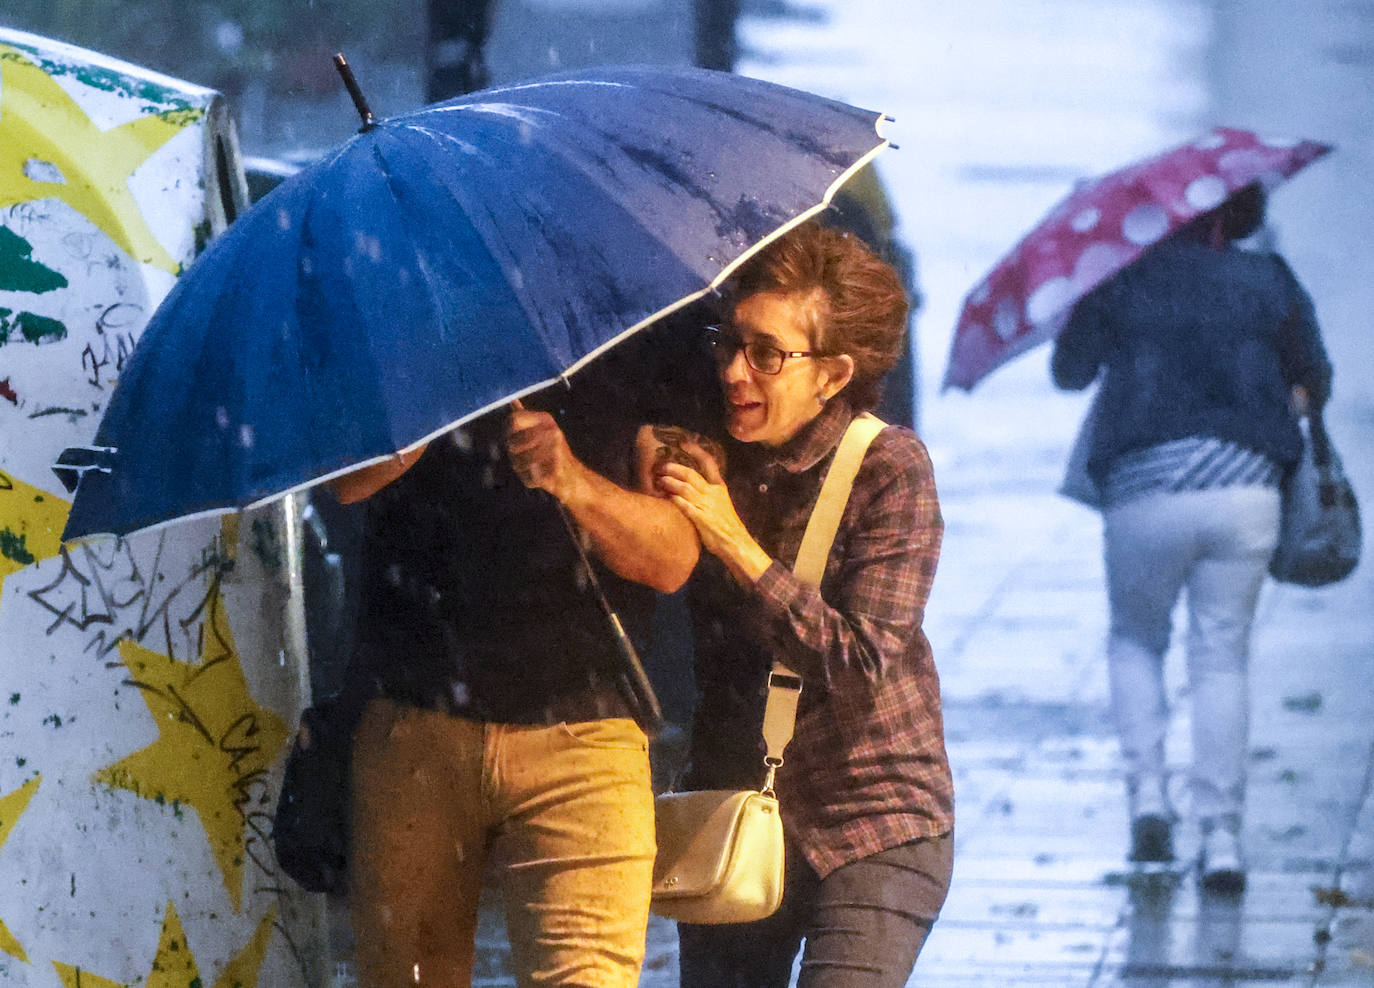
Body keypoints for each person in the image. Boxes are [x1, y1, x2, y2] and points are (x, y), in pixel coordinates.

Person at [652, 220, 955, 987]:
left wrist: (734, 542)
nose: (734, 372)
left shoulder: (889, 468)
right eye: (730, 343)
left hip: (873, 816)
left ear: (833, 374)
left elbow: (858, 660)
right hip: (733, 809)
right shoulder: (710, 452)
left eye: (767, 355)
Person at [329, 368, 698, 987]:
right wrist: (432, 406)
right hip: (415, 732)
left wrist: (572, 478)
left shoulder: (626, 339)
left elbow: (672, 558)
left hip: (584, 737)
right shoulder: (395, 332)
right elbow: (342, 481)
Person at [1051, 183, 1333, 892]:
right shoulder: (1268, 278)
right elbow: (1316, 381)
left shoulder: (1123, 276)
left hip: (1144, 489)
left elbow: (1068, 372)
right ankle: (1222, 838)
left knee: (1136, 640)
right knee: (1222, 659)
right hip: (1245, 488)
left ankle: (1148, 798)